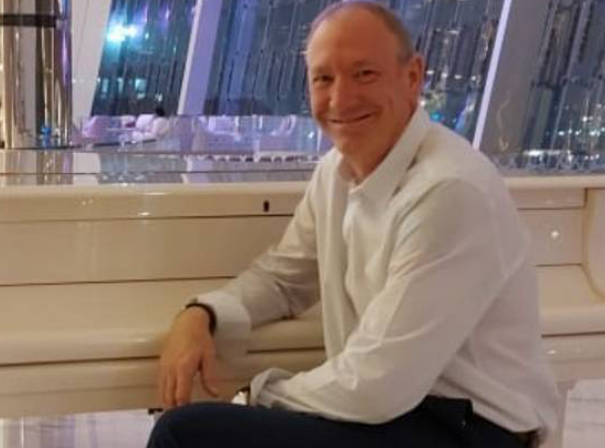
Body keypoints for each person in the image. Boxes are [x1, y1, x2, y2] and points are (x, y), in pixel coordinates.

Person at [148, 3, 559, 448]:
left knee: (185, 434)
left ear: (413, 77)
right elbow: (285, 279)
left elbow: (378, 384)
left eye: (364, 74)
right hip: (398, 414)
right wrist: (203, 314)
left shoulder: (449, 189)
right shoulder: (335, 173)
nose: (341, 99)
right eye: (323, 78)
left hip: (473, 429)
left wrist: (257, 395)